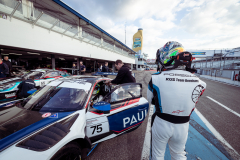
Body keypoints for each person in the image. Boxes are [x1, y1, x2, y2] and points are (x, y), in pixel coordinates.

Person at [148, 41, 206, 160]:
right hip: (183, 125)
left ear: (168, 57)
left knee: (157, 155)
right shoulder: (201, 82)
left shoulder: (155, 78)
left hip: (161, 123)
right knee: (179, 154)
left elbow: (151, 101)